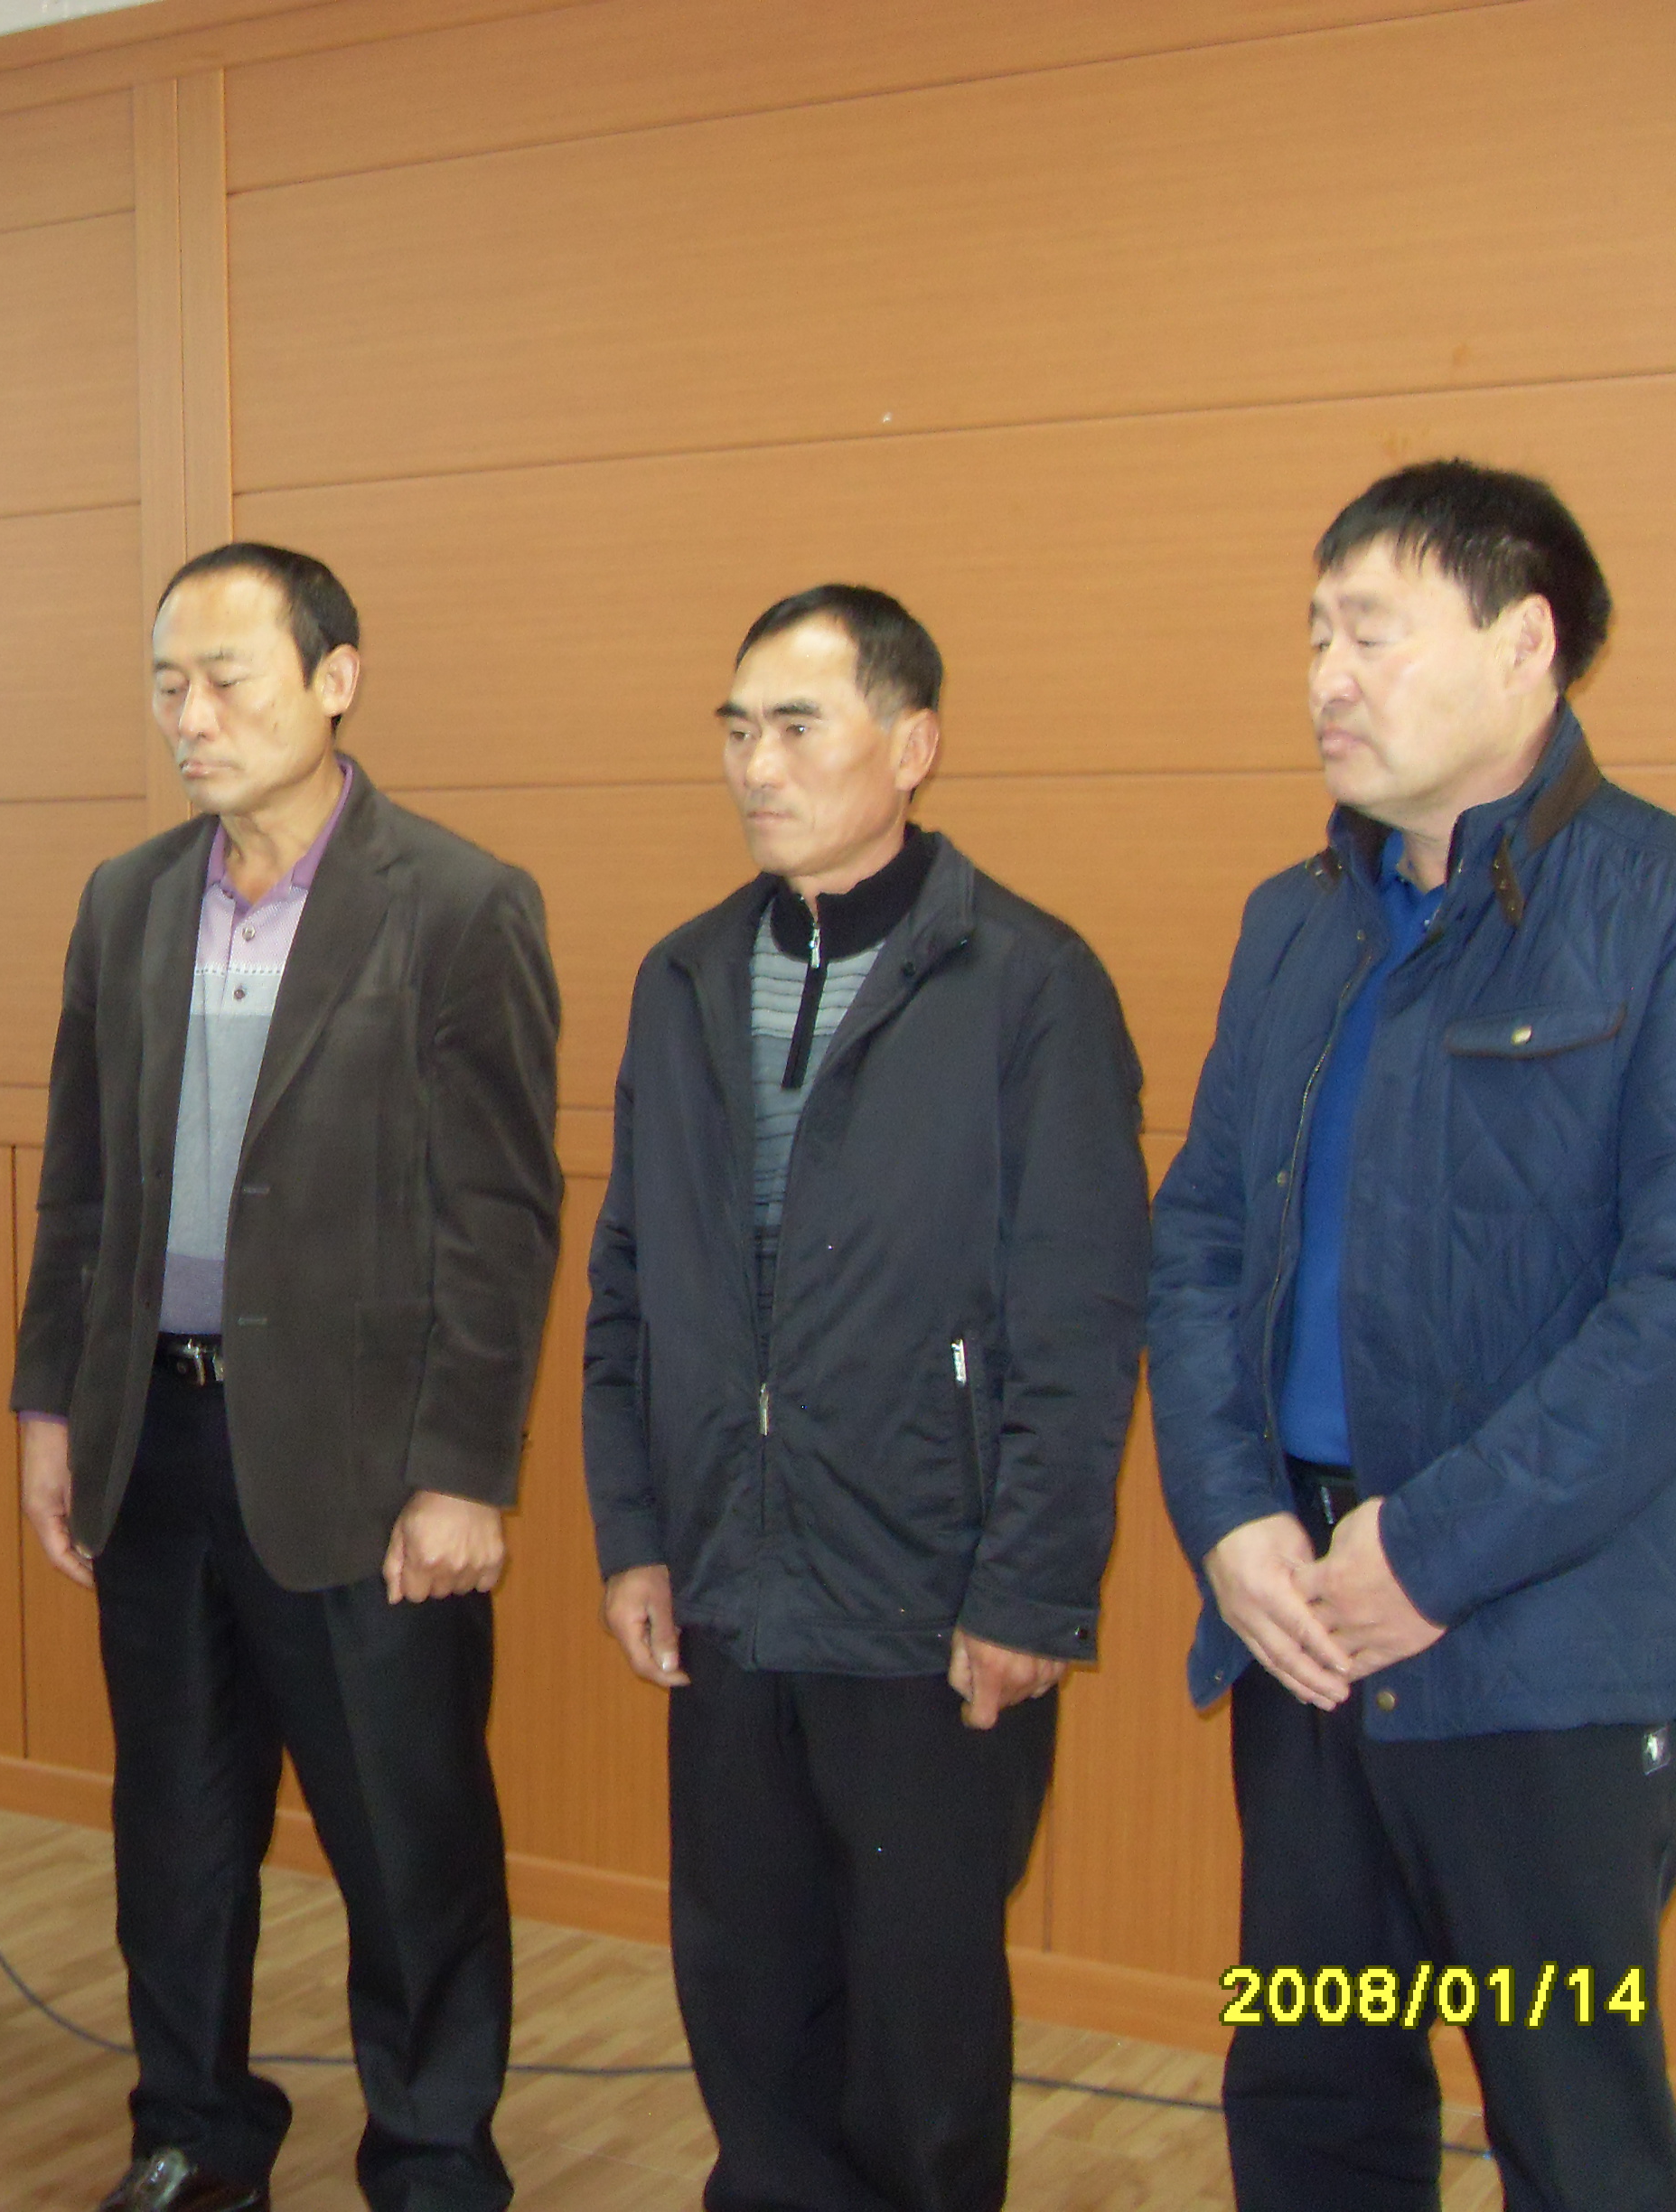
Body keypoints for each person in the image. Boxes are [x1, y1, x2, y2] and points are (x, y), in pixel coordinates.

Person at [1150, 459, 1676, 2211]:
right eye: (1314, 633)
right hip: (1304, 1628)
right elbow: (1200, 1238)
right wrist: (1230, 1519)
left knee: (1573, 2133)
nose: (1327, 676)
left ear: (1528, 646)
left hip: (1544, 1649)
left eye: (1372, 632)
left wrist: (1429, 1554)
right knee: (1314, 2097)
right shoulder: (1294, 923)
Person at [581, 585, 1149, 2212]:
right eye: (736, 730)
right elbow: (628, 1287)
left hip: (929, 1604)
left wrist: (1030, 1589)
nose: (755, 766)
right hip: (730, 1586)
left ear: (913, 747)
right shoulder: (685, 977)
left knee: (918, 2030)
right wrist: (636, 1533)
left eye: (796, 727)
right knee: (747, 2002)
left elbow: (1079, 1319)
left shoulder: (1027, 983)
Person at [10, 543, 562, 2212]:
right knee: (174, 1838)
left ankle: (435, 2162)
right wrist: (52, 1403)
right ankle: (192, 2137)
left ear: (335, 679)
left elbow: (499, 1220)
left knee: (408, 1845)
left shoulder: (456, 903)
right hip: (156, 1441)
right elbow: (81, 1187)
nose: (191, 716)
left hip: (363, 1464)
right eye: (167, 685)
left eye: (227, 678)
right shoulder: (125, 900)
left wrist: (464, 1469)